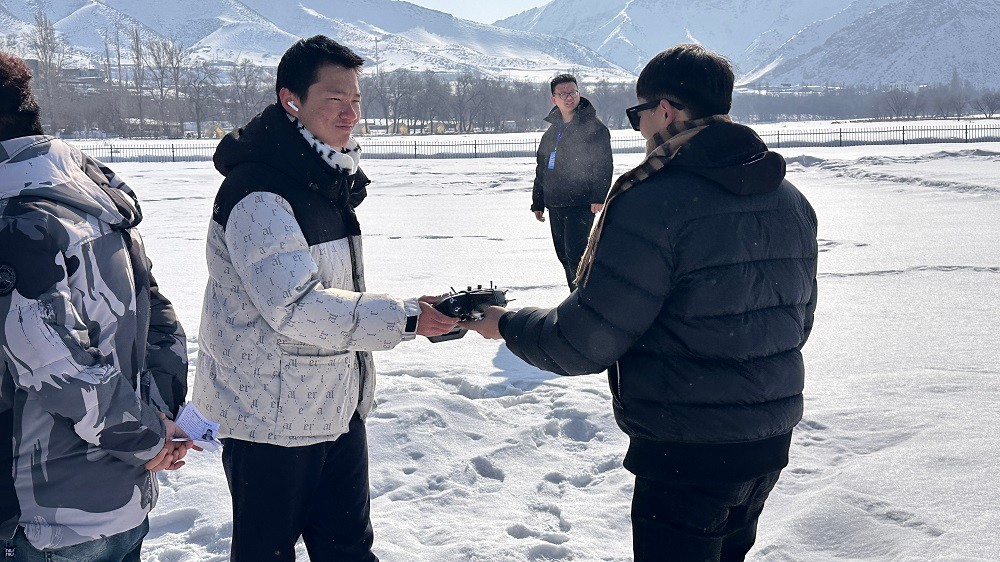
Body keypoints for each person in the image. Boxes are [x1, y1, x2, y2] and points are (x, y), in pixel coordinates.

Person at [466, 44, 818, 561]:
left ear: (667, 110)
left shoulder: (655, 201)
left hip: (686, 448)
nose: (639, 128)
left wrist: (504, 324)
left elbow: (586, 341)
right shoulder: (788, 199)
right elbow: (795, 323)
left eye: (639, 114)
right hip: (767, 440)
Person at [190, 36, 458, 561]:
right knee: (267, 553)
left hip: (332, 405)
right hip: (269, 420)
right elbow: (295, 308)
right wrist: (405, 319)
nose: (351, 112)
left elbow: (335, 295)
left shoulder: (324, 178)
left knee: (348, 550)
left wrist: (408, 313)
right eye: (336, 98)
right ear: (292, 100)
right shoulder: (260, 192)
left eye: (356, 99)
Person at [0, 53, 192, 561]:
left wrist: (152, 438)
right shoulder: (89, 201)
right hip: (118, 496)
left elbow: (57, 370)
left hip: (46, 517)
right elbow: (158, 320)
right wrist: (158, 423)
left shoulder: (16, 221)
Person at [531, 74, 613, 290]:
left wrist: (598, 196)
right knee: (564, 257)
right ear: (554, 99)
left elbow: (603, 165)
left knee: (577, 257)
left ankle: (585, 301)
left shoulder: (594, 128)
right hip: (555, 202)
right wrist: (538, 201)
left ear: (579, 93)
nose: (569, 98)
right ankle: (575, 299)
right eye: (563, 94)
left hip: (580, 202)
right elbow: (542, 168)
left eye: (573, 92)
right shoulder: (551, 132)